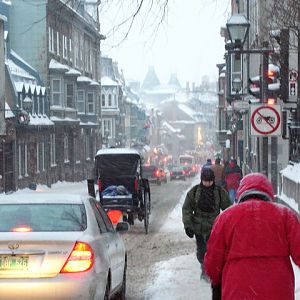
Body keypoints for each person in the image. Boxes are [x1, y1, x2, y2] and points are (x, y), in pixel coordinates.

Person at [204, 173, 300, 300]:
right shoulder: (285, 216)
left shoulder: (225, 218)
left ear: (241, 193)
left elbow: (212, 261)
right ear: (268, 192)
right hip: (277, 290)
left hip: (238, 290)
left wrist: (216, 282)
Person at [182, 168, 231, 281]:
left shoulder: (219, 192)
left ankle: (209, 271)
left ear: (213, 180)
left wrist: (228, 226)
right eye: (205, 181)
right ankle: (204, 268)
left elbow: (228, 209)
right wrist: (188, 226)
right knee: (201, 251)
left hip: (214, 228)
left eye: (209, 181)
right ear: (201, 180)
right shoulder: (194, 192)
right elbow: (187, 209)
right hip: (198, 228)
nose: (207, 184)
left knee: (212, 251)